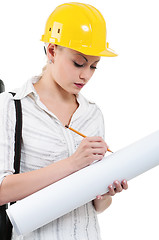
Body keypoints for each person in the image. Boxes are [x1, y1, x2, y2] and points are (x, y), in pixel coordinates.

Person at [0, 2, 128, 240]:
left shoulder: (92, 114)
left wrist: (108, 192)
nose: (85, 75)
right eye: (78, 63)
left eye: (94, 66)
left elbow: (96, 207)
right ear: (52, 51)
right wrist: (73, 163)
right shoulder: (11, 106)